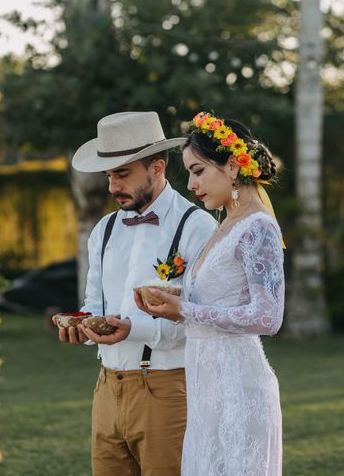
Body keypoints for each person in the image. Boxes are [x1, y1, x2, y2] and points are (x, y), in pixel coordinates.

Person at [54, 111, 217, 476]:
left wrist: (133, 328)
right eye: (109, 175)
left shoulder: (197, 227)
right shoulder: (104, 230)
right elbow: (94, 301)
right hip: (107, 386)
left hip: (167, 389)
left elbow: (201, 318)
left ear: (157, 167)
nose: (113, 187)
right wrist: (82, 324)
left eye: (122, 173)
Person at [136, 111, 285, 476]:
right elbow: (211, 304)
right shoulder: (224, 224)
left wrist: (185, 310)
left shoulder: (257, 228)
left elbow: (268, 317)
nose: (190, 184)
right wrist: (171, 304)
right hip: (205, 390)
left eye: (198, 171)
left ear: (233, 166)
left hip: (240, 391)